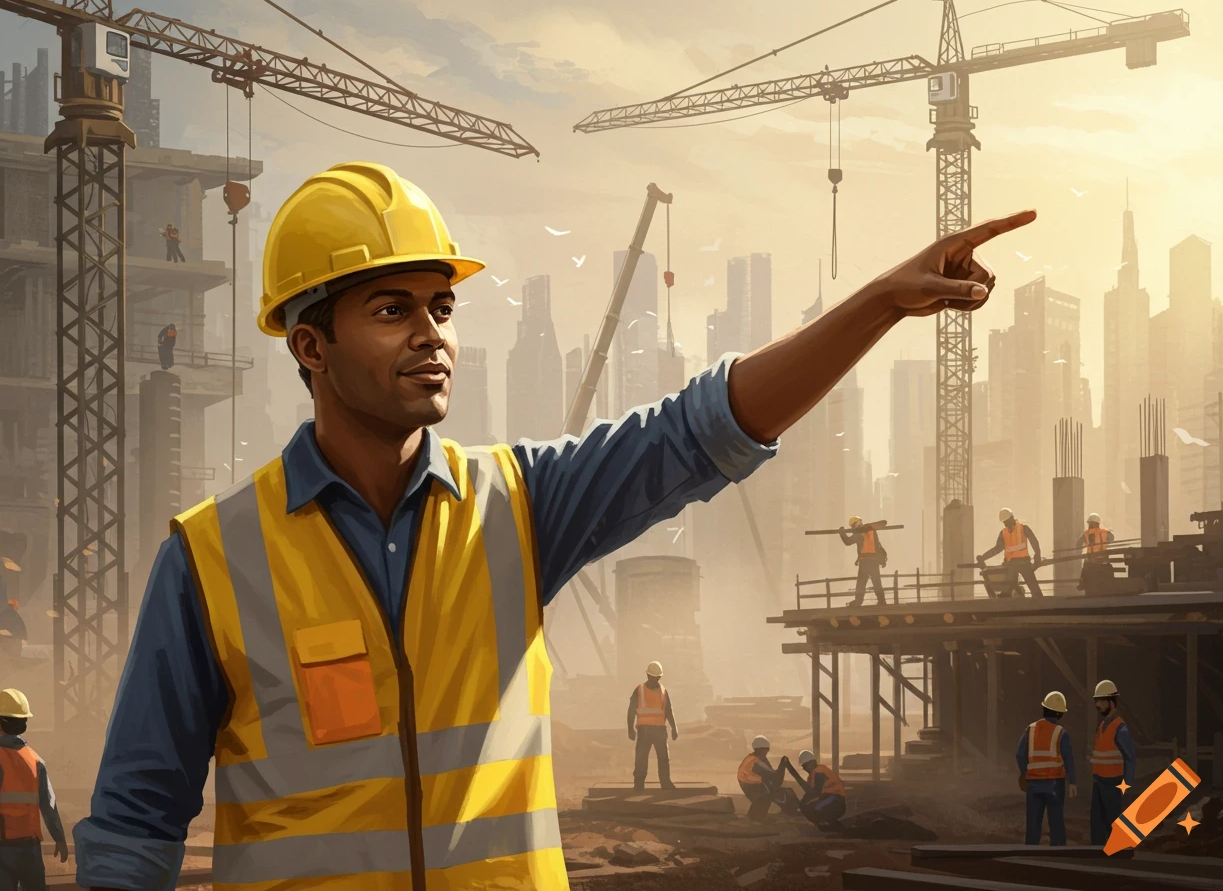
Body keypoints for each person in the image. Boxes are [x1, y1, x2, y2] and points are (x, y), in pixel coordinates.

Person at [73, 160, 1034, 891]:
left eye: (442, 307)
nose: (433, 334)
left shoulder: (518, 506)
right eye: (392, 308)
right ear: (311, 345)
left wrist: (875, 305)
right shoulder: (212, 558)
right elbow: (133, 822)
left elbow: (700, 432)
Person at [0, 690, 68, 891]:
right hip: (31, 851)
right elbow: (49, 804)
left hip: (2, 851)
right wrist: (59, 837)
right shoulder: (36, 761)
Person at [1016, 691, 1077, 846]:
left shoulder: (1030, 729)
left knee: (1033, 827)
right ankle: (1059, 861)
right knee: (1056, 824)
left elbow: (1019, 754)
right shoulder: (1061, 733)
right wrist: (1072, 782)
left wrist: (1025, 773)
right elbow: (1069, 759)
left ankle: (1030, 861)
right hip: (1055, 785)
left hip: (1033, 784)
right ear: (1059, 713)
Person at [1089, 679, 1136, 847]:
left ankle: (1118, 853)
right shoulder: (1102, 725)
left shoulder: (1120, 727)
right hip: (1099, 781)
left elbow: (1130, 756)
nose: (1098, 705)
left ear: (1112, 702)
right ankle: (1098, 855)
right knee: (1097, 822)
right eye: (1097, 701)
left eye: (1101, 701)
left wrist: (1127, 783)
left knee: (1113, 820)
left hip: (1112, 782)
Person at [628, 660, 677, 790]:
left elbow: (668, 710)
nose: (654, 679)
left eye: (656, 677)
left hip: (660, 730)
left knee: (664, 758)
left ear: (659, 677)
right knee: (641, 760)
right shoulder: (639, 690)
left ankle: (665, 783)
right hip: (644, 730)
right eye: (652, 677)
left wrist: (674, 727)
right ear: (647, 675)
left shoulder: (663, 691)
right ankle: (638, 785)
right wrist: (630, 729)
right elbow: (631, 710)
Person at [979, 507, 1044, 598]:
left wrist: (1037, 556)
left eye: (1007, 521)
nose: (1006, 524)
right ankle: (1011, 600)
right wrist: (983, 557)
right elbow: (997, 548)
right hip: (1010, 565)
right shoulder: (1003, 533)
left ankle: (1038, 601)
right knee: (1008, 589)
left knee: (1034, 589)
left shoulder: (1023, 528)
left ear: (1012, 518)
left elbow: (1034, 542)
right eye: (1005, 522)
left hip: (1024, 563)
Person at [736, 736, 799, 822]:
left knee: (786, 792)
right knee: (765, 797)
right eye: (765, 750)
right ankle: (757, 817)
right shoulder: (755, 760)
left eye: (766, 750)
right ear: (759, 750)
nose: (766, 752)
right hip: (752, 786)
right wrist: (783, 764)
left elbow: (771, 775)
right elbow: (774, 777)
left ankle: (791, 811)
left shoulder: (756, 758)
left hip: (756, 784)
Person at [788, 750, 846, 829]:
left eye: (806, 765)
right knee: (805, 806)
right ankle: (824, 825)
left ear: (813, 762)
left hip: (836, 801)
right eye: (804, 766)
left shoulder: (819, 773)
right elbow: (810, 791)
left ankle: (831, 826)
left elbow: (815, 792)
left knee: (814, 808)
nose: (805, 768)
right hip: (830, 799)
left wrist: (804, 803)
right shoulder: (813, 774)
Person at [839, 516, 887, 606]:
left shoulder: (861, 532)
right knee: (876, 582)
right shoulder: (872, 530)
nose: (853, 528)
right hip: (873, 561)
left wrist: (842, 533)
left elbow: (848, 542)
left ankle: (858, 602)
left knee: (861, 583)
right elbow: (883, 523)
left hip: (865, 561)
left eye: (853, 526)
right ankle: (882, 601)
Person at [1076, 514, 1114, 593]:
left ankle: (1082, 583)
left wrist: (1081, 548)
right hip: (1103, 560)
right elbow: (1112, 538)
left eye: (1089, 523)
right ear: (1098, 523)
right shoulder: (1105, 532)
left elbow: (1078, 544)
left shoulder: (1086, 533)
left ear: (1090, 523)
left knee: (1084, 568)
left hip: (1091, 561)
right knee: (1109, 568)